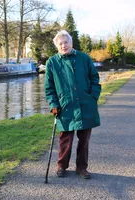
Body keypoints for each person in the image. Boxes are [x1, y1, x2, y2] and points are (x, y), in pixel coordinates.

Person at [44, 30, 101, 179]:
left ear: (71, 43)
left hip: (85, 105)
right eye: (60, 43)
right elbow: (49, 88)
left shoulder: (84, 58)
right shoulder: (52, 62)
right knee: (65, 138)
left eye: (66, 42)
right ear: (57, 46)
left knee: (84, 139)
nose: (64, 45)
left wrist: (93, 96)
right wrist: (53, 104)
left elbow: (95, 79)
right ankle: (62, 166)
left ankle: (81, 167)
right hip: (65, 106)